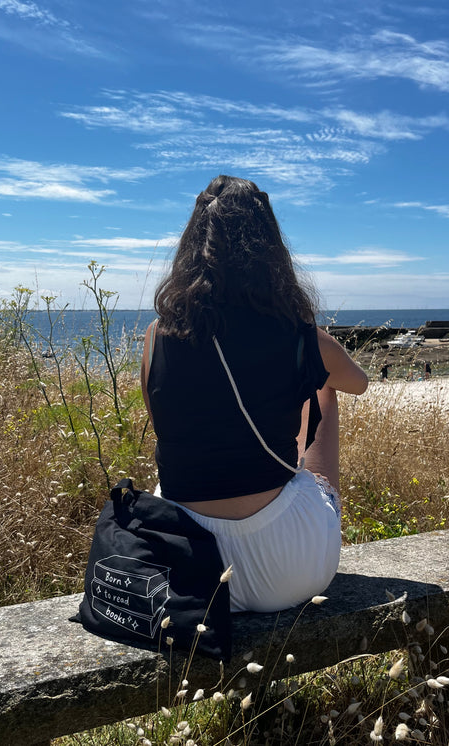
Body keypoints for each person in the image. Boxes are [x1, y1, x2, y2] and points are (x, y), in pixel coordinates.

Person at [141, 175, 368, 614]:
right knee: (323, 385)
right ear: (271, 252)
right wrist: (309, 349)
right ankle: (299, 491)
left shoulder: (156, 336)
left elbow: (165, 425)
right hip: (288, 570)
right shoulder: (299, 336)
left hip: (186, 571)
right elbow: (358, 382)